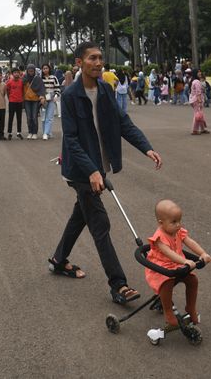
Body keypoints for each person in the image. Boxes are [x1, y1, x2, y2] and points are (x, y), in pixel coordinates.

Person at [49, 41, 163, 306]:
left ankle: (58, 259)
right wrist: (91, 170)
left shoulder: (106, 88)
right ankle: (118, 285)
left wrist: (146, 148)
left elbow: (122, 122)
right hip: (80, 170)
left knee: (82, 215)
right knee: (100, 224)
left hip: (97, 168)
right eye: (92, 58)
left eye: (100, 58)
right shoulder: (70, 95)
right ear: (79, 62)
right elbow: (72, 139)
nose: (98, 62)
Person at [145, 199, 211, 334]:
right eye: (174, 222)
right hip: (161, 267)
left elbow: (190, 242)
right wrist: (184, 261)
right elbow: (169, 253)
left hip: (177, 264)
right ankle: (168, 312)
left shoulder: (178, 231)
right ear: (161, 223)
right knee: (167, 283)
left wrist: (203, 253)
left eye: (179, 221)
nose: (178, 225)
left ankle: (190, 307)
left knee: (193, 280)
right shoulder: (159, 238)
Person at [23, 64, 44, 139]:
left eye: (32, 71)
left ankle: (35, 132)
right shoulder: (24, 79)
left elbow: (42, 88)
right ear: (27, 71)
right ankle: (30, 132)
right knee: (29, 117)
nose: (31, 72)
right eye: (29, 71)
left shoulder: (37, 78)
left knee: (34, 117)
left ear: (34, 71)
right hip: (27, 100)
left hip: (35, 100)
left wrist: (41, 96)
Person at [41, 63, 60, 140]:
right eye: (44, 68)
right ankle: (46, 132)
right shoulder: (40, 78)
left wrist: (56, 95)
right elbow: (39, 89)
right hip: (43, 99)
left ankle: (45, 133)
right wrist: (41, 97)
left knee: (49, 117)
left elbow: (57, 88)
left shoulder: (54, 78)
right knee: (43, 117)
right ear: (42, 70)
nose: (45, 70)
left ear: (49, 69)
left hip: (52, 99)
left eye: (46, 68)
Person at [5, 67, 24, 140]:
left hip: (19, 102)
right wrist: (9, 98)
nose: (16, 74)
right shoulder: (9, 82)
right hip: (12, 102)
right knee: (11, 117)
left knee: (19, 118)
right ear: (12, 74)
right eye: (14, 73)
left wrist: (21, 98)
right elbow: (7, 91)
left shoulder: (21, 82)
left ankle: (19, 132)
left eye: (17, 72)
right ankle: (10, 133)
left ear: (19, 73)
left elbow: (22, 91)